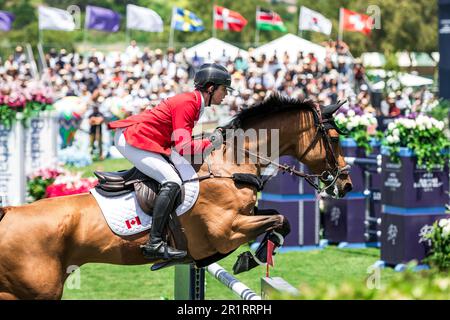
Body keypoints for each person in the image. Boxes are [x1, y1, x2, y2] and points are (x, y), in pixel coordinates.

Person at [108, 63, 232, 261]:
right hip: (133, 139)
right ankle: (154, 243)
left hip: (150, 139)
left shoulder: (195, 103)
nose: (226, 94)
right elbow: (183, 147)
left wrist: (207, 142)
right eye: (224, 89)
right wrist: (211, 143)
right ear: (211, 88)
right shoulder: (189, 103)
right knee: (172, 181)